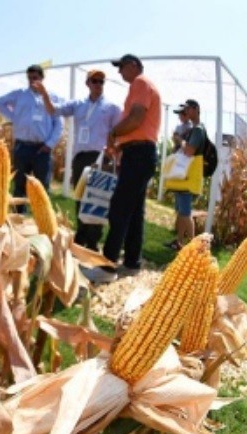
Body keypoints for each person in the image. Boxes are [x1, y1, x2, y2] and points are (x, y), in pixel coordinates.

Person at [87, 54, 161, 283]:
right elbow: (138, 123)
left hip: (138, 154)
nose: (119, 72)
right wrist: (119, 145)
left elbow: (136, 118)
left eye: (121, 68)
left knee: (119, 208)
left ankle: (107, 267)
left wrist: (114, 133)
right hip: (140, 153)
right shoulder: (144, 86)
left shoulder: (140, 83)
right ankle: (131, 262)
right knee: (134, 211)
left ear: (133, 66)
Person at [45, 69, 121, 251]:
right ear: (87, 83)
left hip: (101, 157)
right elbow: (53, 111)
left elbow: (119, 134)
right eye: (94, 81)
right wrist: (43, 94)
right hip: (80, 157)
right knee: (80, 196)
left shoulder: (112, 108)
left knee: (97, 199)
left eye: (101, 81)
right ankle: (81, 236)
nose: (98, 84)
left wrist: (115, 158)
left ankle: (93, 241)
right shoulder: (78, 104)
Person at [0, 64, 63, 212]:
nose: (32, 80)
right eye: (30, 78)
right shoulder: (20, 94)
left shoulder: (53, 97)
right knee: (20, 186)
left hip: (42, 149)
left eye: (36, 77)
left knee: (42, 188)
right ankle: (20, 219)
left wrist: (50, 144)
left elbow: (59, 124)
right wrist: (14, 117)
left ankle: (44, 222)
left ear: (42, 78)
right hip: (22, 147)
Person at [165, 99, 208, 250]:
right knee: (182, 212)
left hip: (188, 176)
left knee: (185, 213)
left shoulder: (197, 130)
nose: (186, 112)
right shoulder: (195, 129)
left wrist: (179, 141)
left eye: (188, 109)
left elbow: (189, 151)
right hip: (186, 175)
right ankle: (179, 242)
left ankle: (193, 248)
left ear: (196, 109)